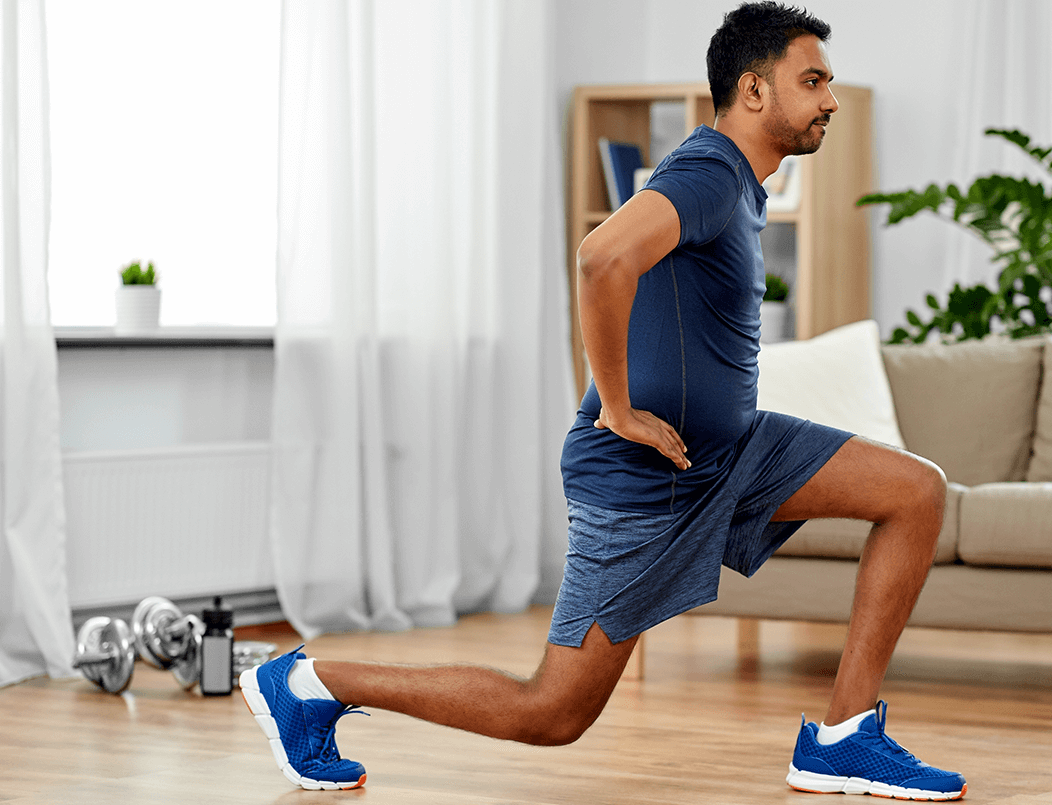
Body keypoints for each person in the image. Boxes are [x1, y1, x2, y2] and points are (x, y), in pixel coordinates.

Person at [240, 2, 967, 800]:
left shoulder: (743, 184)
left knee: (913, 490)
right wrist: (616, 407)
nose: (831, 98)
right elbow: (600, 257)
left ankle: (842, 738)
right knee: (552, 710)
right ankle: (310, 683)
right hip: (647, 474)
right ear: (754, 91)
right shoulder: (712, 170)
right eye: (814, 79)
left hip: (732, 450)